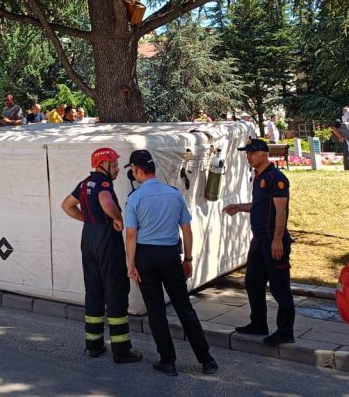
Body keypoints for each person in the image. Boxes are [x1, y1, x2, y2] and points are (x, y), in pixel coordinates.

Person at [123, 149, 217, 376]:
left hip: (146, 257)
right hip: (170, 255)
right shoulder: (174, 195)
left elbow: (131, 235)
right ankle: (206, 360)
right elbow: (187, 230)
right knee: (184, 307)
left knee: (156, 310)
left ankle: (168, 360)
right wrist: (188, 259)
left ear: (137, 170)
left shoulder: (134, 198)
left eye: (133, 170)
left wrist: (131, 265)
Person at [59, 147, 142, 364]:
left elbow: (66, 206)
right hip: (106, 239)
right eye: (114, 165)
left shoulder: (84, 183)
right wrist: (117, 219)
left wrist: (88, 219)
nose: (117, 169)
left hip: (88, 237)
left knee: (94, 290)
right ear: (102, 164)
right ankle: (121, 350)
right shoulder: (104, 184)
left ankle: (94, 346)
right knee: (115, 290)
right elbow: (105, 201)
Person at [223, 139, 295, 345]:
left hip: (273, 239)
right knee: (253, 282)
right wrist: (239, 207)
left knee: (280, 286)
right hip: (259, 239)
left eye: (252, 153)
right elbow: (260, 205)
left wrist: (277, 240)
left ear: (264, 154)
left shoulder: (276, 178)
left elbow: (281, 211)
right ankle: (258, 323)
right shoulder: (258, 176)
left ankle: (285, 331)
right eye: (247, 153)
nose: (249, 156)